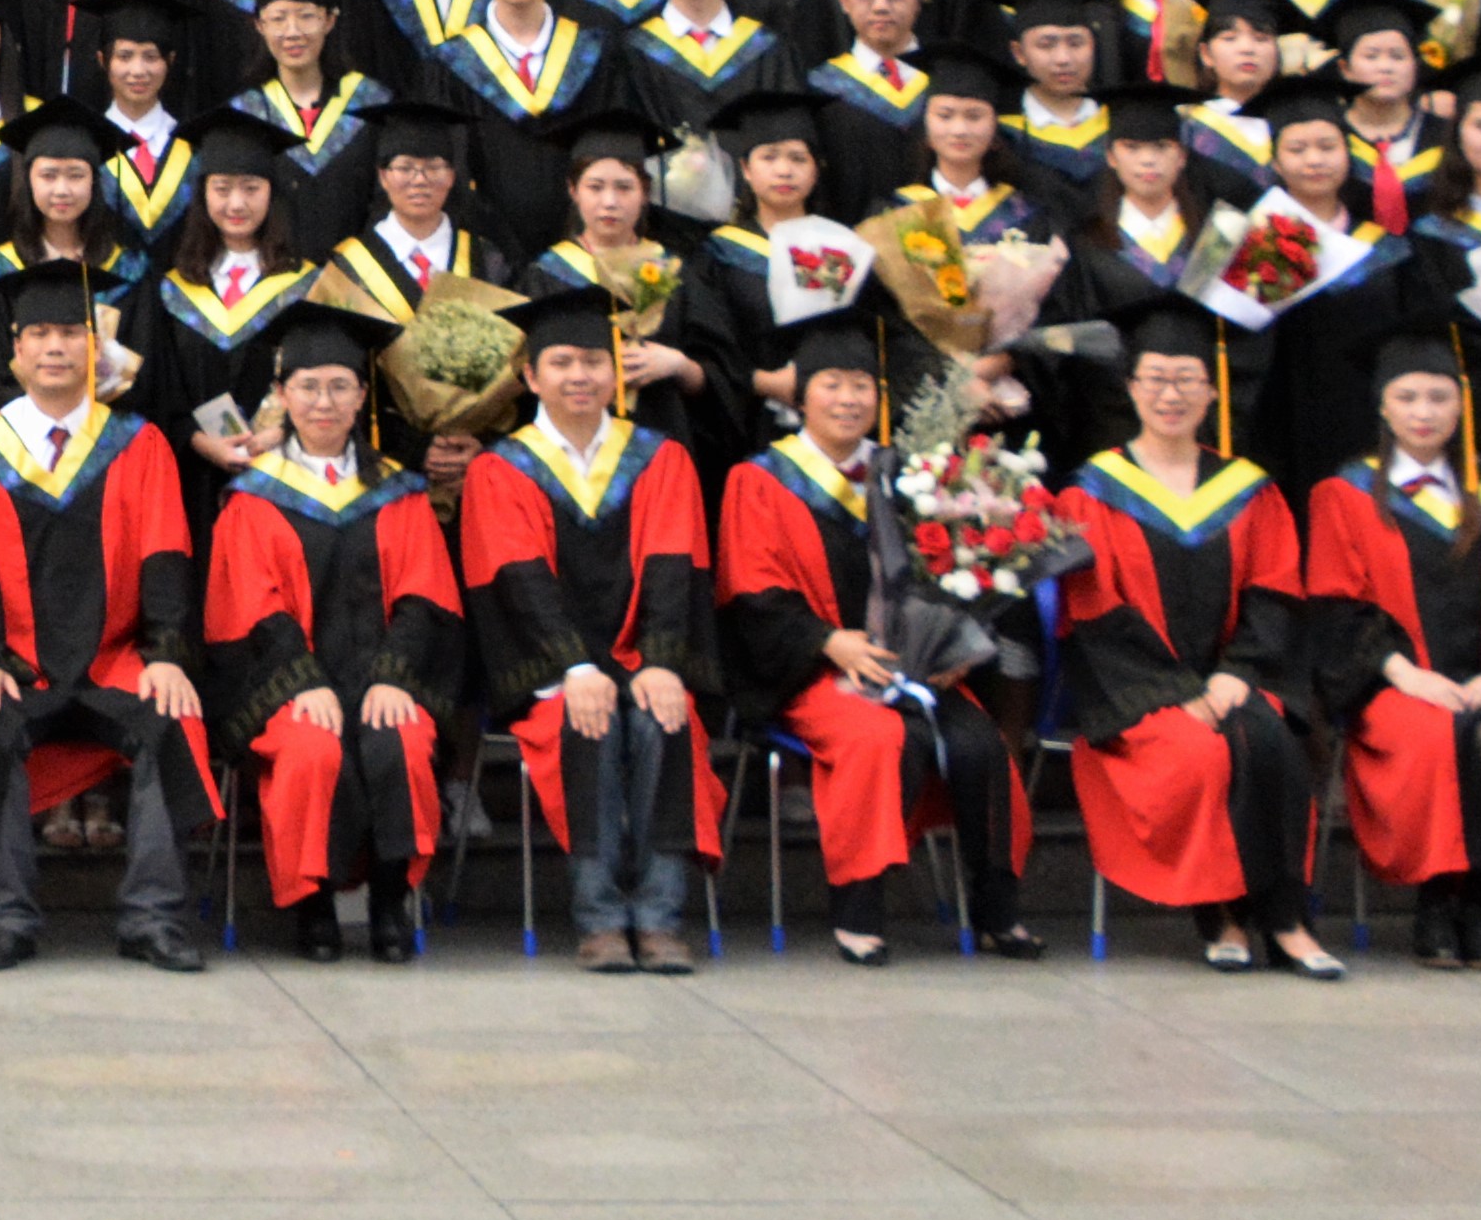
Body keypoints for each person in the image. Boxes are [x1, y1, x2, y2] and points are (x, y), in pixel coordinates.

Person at [713, 320, 1037, 962]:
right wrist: (830, 643)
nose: (848, 399)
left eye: (861, 385)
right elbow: (752, 592)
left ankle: (997, 911)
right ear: (801, 397)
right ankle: (857, 911)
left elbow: (949, 573)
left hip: (910, 667)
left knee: (979, 745)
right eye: (831, 385)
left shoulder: (909, 473)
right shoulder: (760, 479)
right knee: (879, 736)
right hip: (810, 672)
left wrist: (949, 650)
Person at [0, 265, 217, 971]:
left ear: (95, 348)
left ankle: (153, 919)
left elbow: (164, 553)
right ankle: (4, 918)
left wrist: (166, 655)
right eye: (39, 333)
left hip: (116, 658)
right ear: (16, 351)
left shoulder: (139, 444)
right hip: (15, 664)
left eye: (69, 332)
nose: (54, 347)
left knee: (173, 719)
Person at [1056, 303, 1348, 975]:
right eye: (1156, 379)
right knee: (1201, 754)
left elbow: (1275, 591)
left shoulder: (1249, 490)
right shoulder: (1090, 494)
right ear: (1130, 388)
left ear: (1212, 390)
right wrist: (1172, 690)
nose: (1171, 394)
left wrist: (1236, 673)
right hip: (1140, 695)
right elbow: (1093, 611)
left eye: (1186, 379)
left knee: (1274, 745)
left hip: (1235, 679)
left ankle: (1287, 921)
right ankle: (1221, 915)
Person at [463, 287, 719, 972]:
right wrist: (574, 668)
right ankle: (601, 918)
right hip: (551, 670)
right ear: (529, 376)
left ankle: (659, 919)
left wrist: (660, 660)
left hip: (644, 657)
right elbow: (518, 580)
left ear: (616, 373)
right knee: (588, 724)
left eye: (593, 361)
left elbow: (673, 564)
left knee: (665, 720)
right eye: (561, 362)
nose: (579, 375)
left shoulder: (660, 458)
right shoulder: (499, 468)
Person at [203, 323, 461, 961]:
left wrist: (392, 676)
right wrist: (304, 682)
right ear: (282, 395)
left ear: (361, 397)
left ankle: (389, 903)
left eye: (340, 387)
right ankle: (312, 907)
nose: (324, 402)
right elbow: (254, 605)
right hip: (288, 680)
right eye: (309, 387)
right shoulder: (253, 496)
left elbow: (425, 594)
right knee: (311, 748)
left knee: (401, 739)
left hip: (382, 675)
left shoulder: (399, 490)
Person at [1306, 339, 1481, 969]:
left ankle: (1475, 903)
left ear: (1461, 405)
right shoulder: (1345, 494)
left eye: (1438, 397)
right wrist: (1403, 673)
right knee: (1437, 736)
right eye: (1407, 397)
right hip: (1392, 686)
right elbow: (1336, 605)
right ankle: (1435, 902)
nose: (1423, 412)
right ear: (1383, 406)